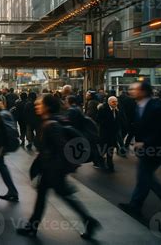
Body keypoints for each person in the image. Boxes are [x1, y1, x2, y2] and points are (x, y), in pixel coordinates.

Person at [17, 94, 101, 239]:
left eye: (39, 104)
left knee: (59, 196)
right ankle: (33, 226)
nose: (36, 106)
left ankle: (89, 220)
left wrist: (54, 169)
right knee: (52, 196)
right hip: (51, 168)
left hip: (53, 169)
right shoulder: (54, 120)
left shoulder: (52, 124)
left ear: (47, 107)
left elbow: (61, 148)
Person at [119, 82, 161, 217]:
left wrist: (145, 143)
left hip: (156, 149)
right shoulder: (139, 105)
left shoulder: (156, 107)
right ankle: (135, 205)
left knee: (144, 177)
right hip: (148, 149)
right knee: (144, 177)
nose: (131, 90)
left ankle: (135, 206)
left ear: (144, 92)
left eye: (135, 89)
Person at [97, 96, 125, 172]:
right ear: (109, 102)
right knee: (103, 150)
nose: (115, 103)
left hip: (113, 135)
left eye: (116, 102)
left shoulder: (117, 110)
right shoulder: (103, 109)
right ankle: (99, 161)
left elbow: (119, 121)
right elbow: (99, 120)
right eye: (113, 102)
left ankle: (110, 165)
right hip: (105, 135)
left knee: (111, 150)